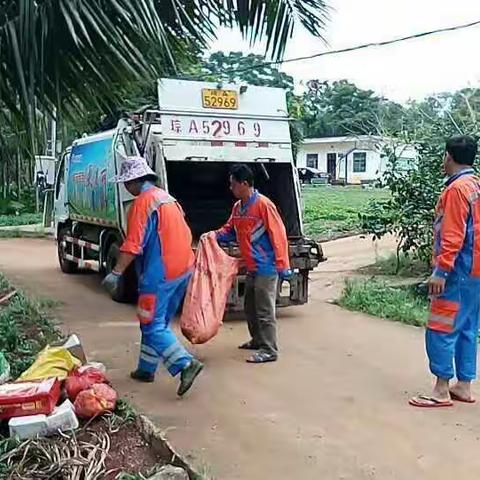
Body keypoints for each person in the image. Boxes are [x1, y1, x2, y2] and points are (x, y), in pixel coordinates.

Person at [102, 156, 203, 396]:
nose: (126, 188)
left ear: (136, 181)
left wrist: (116, 273)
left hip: (160, 274)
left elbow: (133, 245)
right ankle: (146, 368)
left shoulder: (143, 203)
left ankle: (185, 364)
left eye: (127, 182)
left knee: (150, 323)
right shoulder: (168, 199)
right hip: (183, 270)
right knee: (159, 323)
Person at [410, 135, 480, 408]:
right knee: (467, 328)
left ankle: (440, 389)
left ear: (449, 156)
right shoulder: (476, 185)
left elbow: (452, 236)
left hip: (457, 272)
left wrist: (441, 272)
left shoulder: (456, 190)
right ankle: (463, 385)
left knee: (441, 327)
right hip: (475, 274)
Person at [217, 164, 291, 364]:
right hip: (252, 266)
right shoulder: (238, 207)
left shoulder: (263, 205)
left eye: (233, 185)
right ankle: (258, 340)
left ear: (244, 184)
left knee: (265, 310)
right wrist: (215, 236)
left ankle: (269, 350)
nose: (230, 188)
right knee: (250, 306)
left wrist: (283, 265)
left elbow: (278, 235)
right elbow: (230, 229)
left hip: (267, 267)